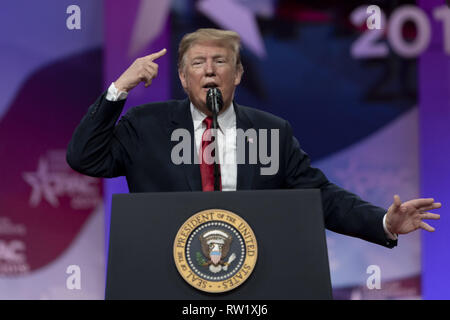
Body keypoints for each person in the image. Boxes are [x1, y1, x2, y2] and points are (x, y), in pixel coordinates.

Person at [66, 28, 441, 248]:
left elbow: (321, 197)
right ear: (183, 78)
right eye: (197, 64)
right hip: (164, 276)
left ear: (239, 73)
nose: (209, 71)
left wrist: (384, 224)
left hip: (251, 281)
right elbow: (85, 157)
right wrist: (119, 89)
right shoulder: (144, 125)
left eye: (220, 62)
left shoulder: (271, 132)